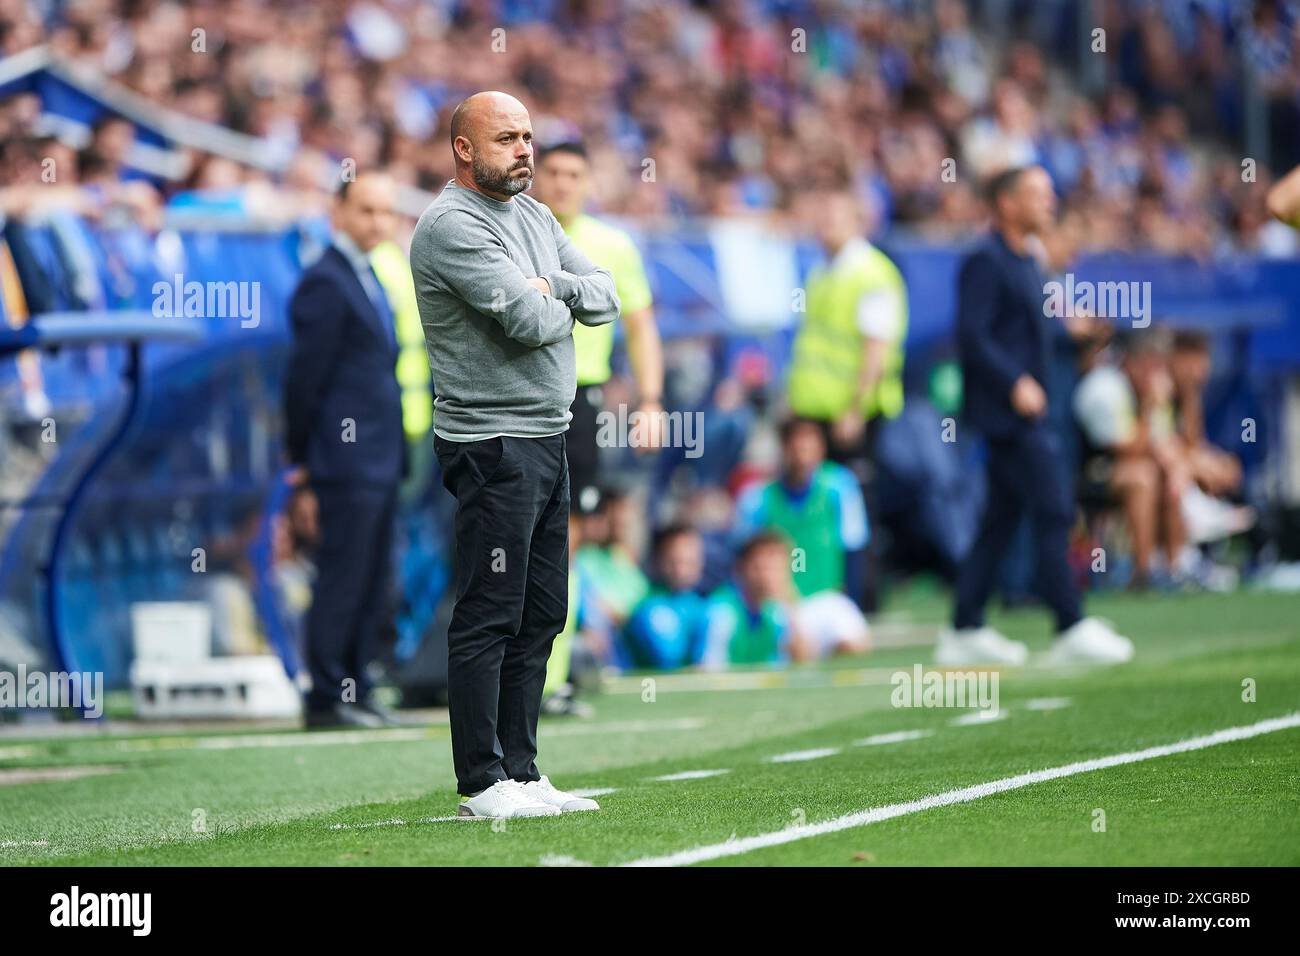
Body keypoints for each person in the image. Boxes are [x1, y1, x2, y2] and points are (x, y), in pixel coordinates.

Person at [409, 91, 620, 819]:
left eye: (528, 136)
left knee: (542, 612)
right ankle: (481, 780)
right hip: (491, 441)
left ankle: (524, 772)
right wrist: (554, 298)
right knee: (490, 611)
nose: (525, 150)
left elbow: (604, 295)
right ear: (463, 148)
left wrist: (553, 283)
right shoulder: (449, 226)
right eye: (506, 138)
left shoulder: (533, 216)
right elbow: (531, 324)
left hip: (548, 433)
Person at [940, 165, 1134, 666]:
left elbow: (1027, 330)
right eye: (1037, 195)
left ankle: (964, 626)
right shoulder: (985, 260)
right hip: (1009, 415)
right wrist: (1014, 382)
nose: (1049, 203)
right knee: (1053, 507)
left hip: (1027, 413)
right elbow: (974, 335)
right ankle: (1069, 623)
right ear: (1006, 203)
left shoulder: (1030, 259)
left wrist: (1074, 332)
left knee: (999, 522)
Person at [284, 171, 407, 728]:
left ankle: (358, 686)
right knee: (343, 574)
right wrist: (302, 464)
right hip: (344, 458)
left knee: (374, 577)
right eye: (366, 211)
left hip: (378, 457)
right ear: (337, 210)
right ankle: (327, 694)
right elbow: (304, 382)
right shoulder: (326, 281)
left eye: (385, 212)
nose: (378, 223)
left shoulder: (368, 275)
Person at [786, 187, 908, 614]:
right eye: (821, 219)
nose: (825, 227)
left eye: (834, 218)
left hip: (851, 414)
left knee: (856, 506)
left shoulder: (872, 273)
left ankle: (863, 597)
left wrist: (855, 407)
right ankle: (824, 592)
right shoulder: (824, 271)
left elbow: (877, 346)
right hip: (816, 410)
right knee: (819, 503)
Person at [532, 140, 665, 512]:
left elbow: (642, 328)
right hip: (520, 393)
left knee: (573, 515)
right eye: (554, 173)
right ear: (537, 177)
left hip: (581, 395)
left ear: (589, 183)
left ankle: (566, 575)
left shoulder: (614, 245)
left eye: (574, 175)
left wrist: (651, 401)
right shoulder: (516, 235)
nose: (563, 184)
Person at [703, 531, 811, 668]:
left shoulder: (775, 612)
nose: (769, 577)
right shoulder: (722, 612)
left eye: (777, 569)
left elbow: (802, 662)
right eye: (762, 568)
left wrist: (791, 609)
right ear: (741, 569)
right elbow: (708, 670)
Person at [624, 523, 711, 669]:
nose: (681, 570)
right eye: (675, 561)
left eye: (689, 561)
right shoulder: (649, 608)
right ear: (658, 560)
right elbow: (669, 659)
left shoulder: (703, 604)